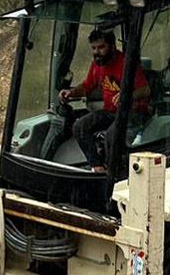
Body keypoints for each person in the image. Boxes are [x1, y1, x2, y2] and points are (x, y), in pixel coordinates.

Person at [57, 27, 151, 172]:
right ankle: (97, 167)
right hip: (110, 112)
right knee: (79, 127)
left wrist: (127, 95)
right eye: (93, 48)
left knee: (112, 136)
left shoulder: (126, 64)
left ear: (112, 46)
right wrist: (71, 93)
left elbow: (145, 90)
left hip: (132, 112)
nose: (96, 52)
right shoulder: (97, 65)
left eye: (101, 47)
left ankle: (112, 172)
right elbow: (87, 87)